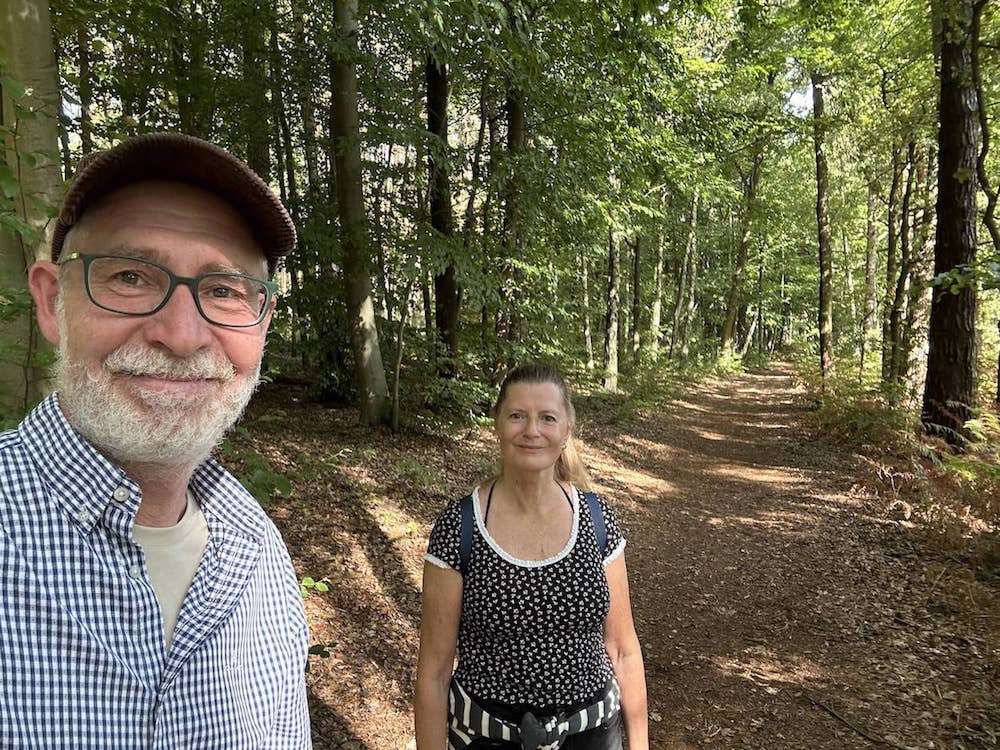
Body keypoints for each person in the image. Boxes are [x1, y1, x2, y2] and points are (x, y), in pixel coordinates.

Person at [1, 133, 311, 748]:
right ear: (50, 299)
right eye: (131, 277)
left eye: (222, 290)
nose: (182, 334)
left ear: (262, 321)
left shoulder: (262, 557)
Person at [414, 364, 649, 750]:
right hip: (486, 739)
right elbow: (435, 672)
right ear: (497, 424)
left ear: (567, 430)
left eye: (547, 418)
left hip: (592, 736)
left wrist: (638, 745)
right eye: (517, 415)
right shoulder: (461, 526)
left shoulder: (597, 519)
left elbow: (623, 649)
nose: (532, 430)